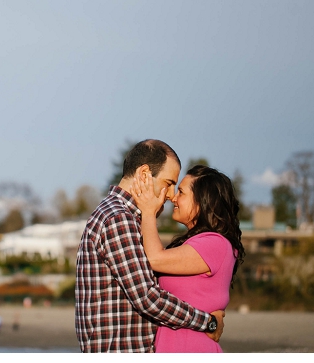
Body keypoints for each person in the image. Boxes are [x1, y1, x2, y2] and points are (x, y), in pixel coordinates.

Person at [75, 139, 225, 352]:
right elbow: (147, 297)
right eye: (168, 183)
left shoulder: (121, 216)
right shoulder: (119, 219)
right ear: (144, 174)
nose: (171, 195)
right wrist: (207, 322)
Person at [132, 164, 245, 352]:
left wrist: (149, 212)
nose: (173, 198)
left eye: (181, 193)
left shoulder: (215, 244)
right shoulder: (197, 243)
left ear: (202, 201)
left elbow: (154, 259)